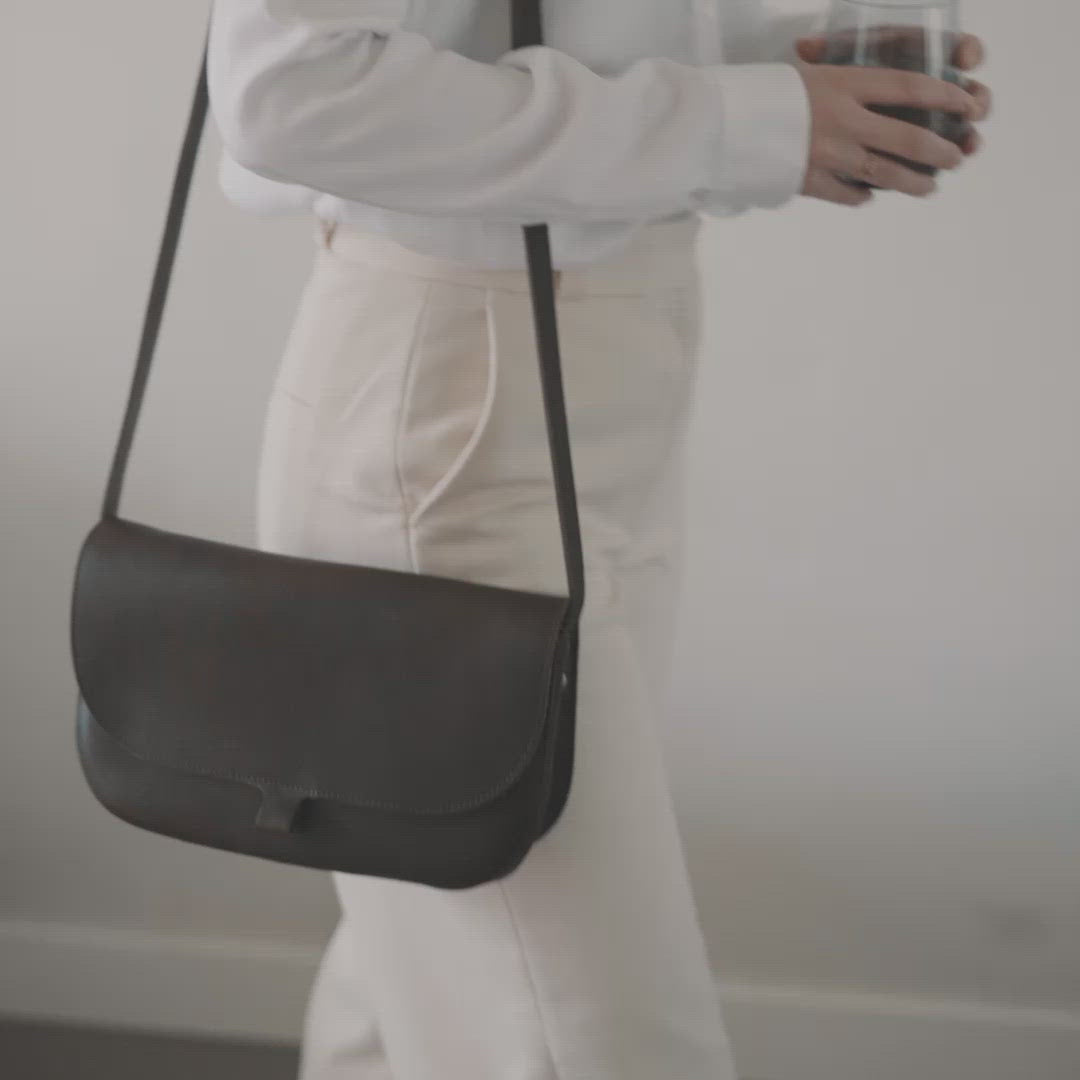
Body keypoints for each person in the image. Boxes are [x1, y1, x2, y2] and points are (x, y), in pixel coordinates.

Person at [206, 4, 989, 1078]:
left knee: (426, 964)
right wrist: (746, 121)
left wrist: (797, 94)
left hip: (595, 359)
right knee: (596, 1031)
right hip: (455, 400)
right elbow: (285, 94)